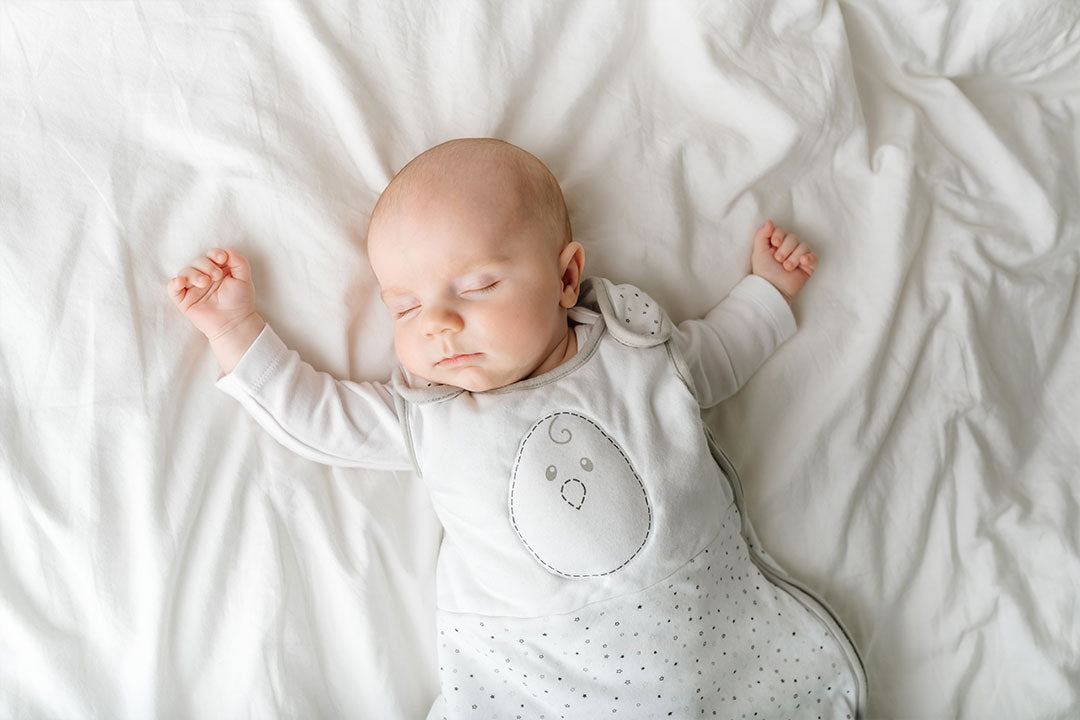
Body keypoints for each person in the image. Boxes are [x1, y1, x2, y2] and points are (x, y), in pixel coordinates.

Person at [167, 138, 866, 718]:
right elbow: (321, 417)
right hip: (543, 678)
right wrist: (236, 329)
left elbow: (719, 355)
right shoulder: (432, 417)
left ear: (565, 278)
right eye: (405, 308)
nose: (437, 322)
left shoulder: (638, 351)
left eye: (473, 288)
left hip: (704, 638)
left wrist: (766, 293)